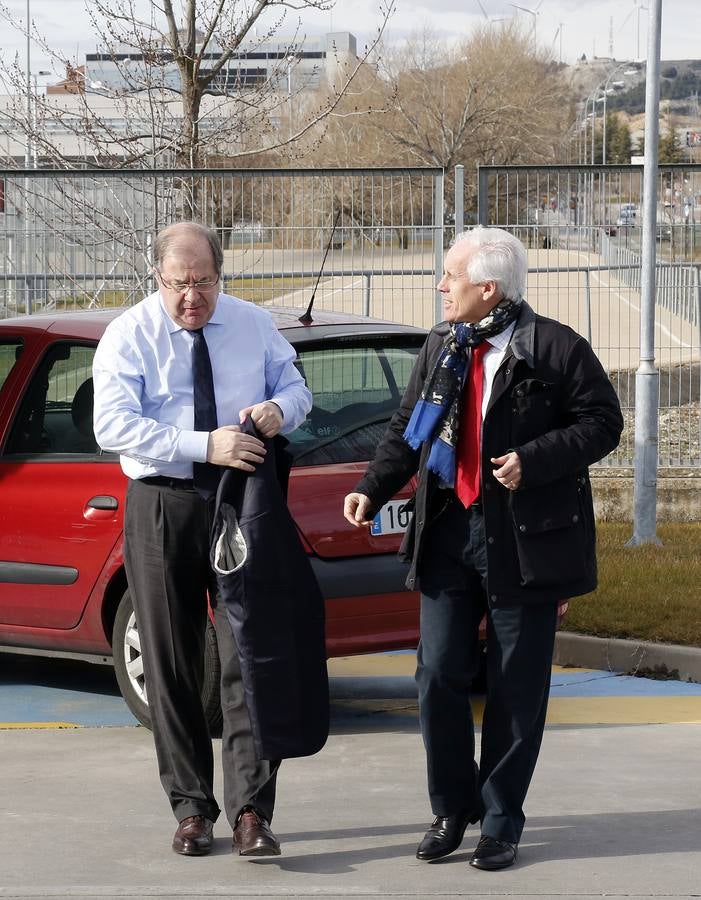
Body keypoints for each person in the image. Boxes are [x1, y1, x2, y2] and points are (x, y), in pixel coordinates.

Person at [344, 226, 623, 871]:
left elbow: (603, 422)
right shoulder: (443, 344)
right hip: (447, 530)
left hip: (524, 540)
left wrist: (535, 458)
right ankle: (451, 808)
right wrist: (371, 487)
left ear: (488, 287)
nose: (441, 286)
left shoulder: (553, 346)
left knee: (515, 686)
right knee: (438, 674)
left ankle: (500, 821)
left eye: (451, 275)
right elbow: (408, 427)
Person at [93, 221, 312, 858]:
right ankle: (191, 808)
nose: (193, 297)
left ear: (221, 274)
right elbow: (113, 426)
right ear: (157, 278)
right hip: (163, 501)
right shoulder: (128, 335)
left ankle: (251, 811)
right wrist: (201, 444)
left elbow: (297, 388)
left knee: (251, 653)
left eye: (205, 282)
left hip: (242, 498)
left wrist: (280, 409)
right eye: (179, 284)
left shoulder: (252, 324)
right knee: (172, 662)